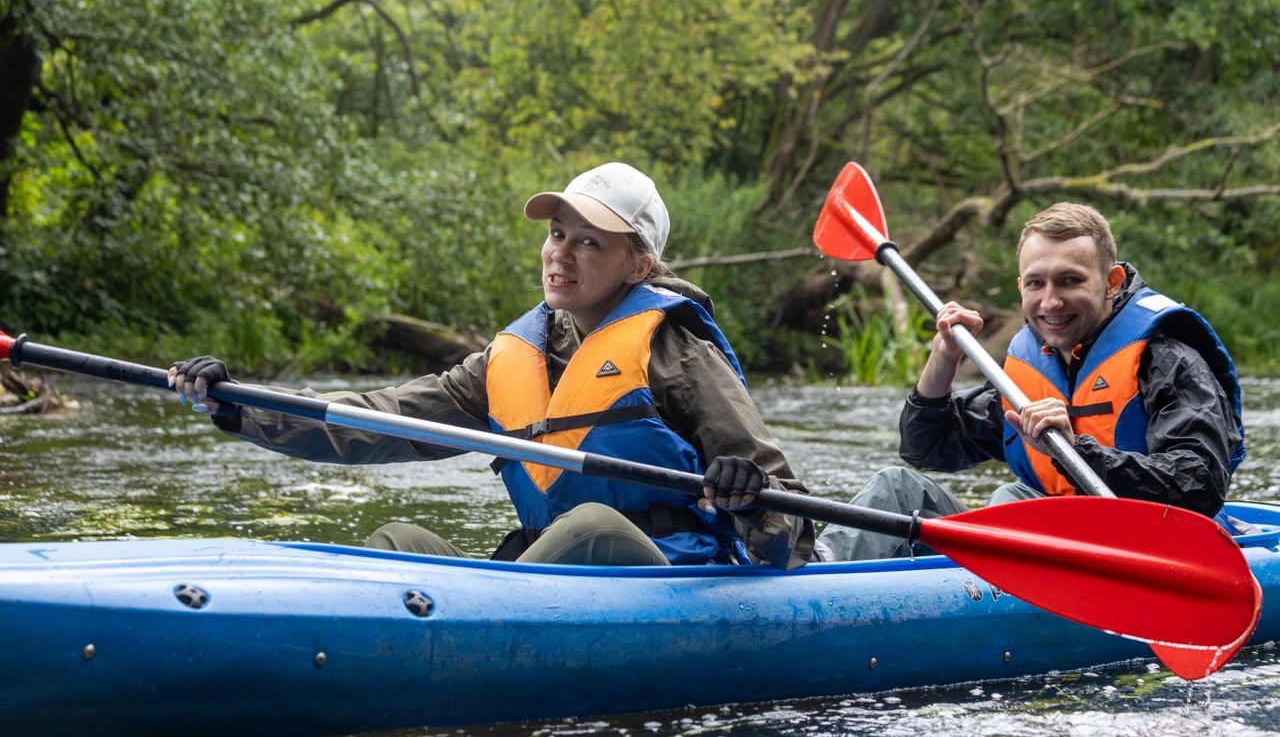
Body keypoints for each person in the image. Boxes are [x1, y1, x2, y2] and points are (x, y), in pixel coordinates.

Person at [169, 162, 816, 569]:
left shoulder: (679, 352)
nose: (561, 252)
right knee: (398, 542)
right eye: (557, 233)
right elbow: (379, 419)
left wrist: (747, 496)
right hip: (548, 578)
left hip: (670, 581)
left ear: (640, 264)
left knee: (590, 526)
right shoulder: (510, 358)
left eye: (589, 241)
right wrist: (241, 404)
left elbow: (788, 519)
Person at [816, 201, 1246, 562]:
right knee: (897, 488)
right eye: (1036, 284)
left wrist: (1079, 452)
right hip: (1046, 545)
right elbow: (926, 448)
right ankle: (806, 574)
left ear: (1112, 282)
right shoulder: (1028, 366)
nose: (1051, 301)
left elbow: (1199, 485)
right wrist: (943, 359)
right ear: (1021, 287)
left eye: (1071, 281)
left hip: (1149, 549)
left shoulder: (1168, 360)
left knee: (1011, 502)